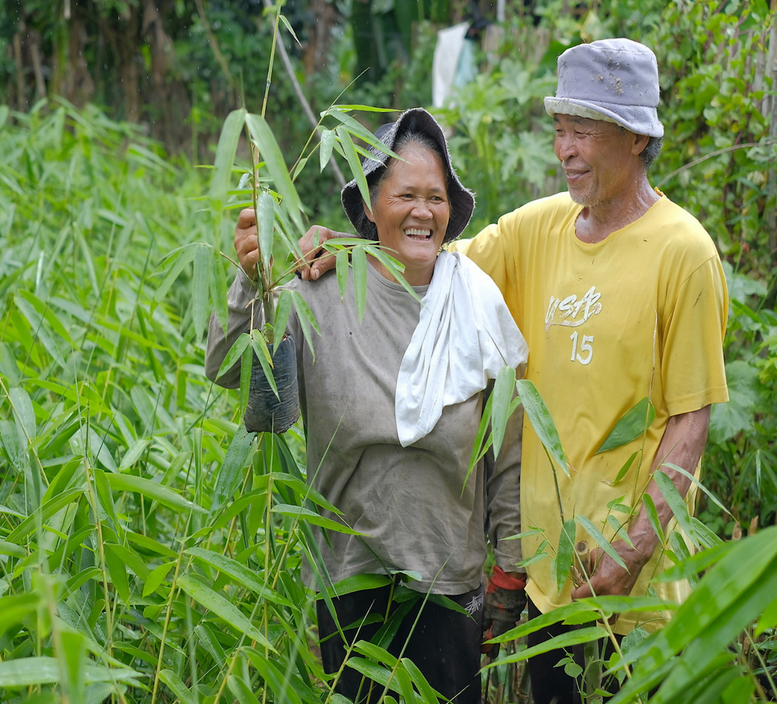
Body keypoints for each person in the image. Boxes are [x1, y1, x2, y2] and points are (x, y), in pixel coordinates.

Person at [297, 40, 729, 704]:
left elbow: (691, 418)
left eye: (583, 131)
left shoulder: (684, 252)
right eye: (560, 130)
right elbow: (425, 255)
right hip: (547, 584)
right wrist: (345, 245)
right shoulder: (539, 229)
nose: (565, 150)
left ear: (638, 137)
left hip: (629, 592)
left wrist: (635, 546)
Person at [206, 108, 529, 704]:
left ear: (451, 212)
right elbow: (242, 383)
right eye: (405, 194)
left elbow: (505, 453)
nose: (422, 212)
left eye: (436, 197)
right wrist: (252, 283)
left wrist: (508, 566)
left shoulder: (475, 305)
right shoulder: (318, 291)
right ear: (370, 205)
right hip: (349, 577)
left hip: (448, 582)